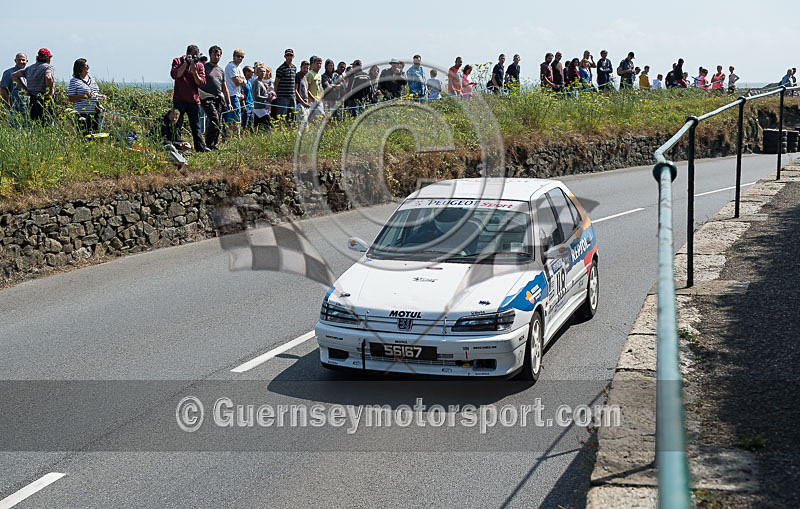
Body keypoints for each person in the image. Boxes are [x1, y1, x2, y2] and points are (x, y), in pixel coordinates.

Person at [167, 45, 208, 152]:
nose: (193, 58)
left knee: (196, 126)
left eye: (195, 56)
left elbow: (201, 83)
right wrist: (185, 63)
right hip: (179, 99)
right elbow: (175, 75)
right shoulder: (177, 61)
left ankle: (200, 147)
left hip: (193, 100)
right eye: (192, 56)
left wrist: (194, 71)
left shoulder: (199, 65)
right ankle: (177, 146)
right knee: (177, 125)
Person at [198, 45, 232, 150]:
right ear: (210, 55)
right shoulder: (204, 67)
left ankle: (214, 143)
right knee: (214, 119)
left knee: (218, 121)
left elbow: (224, 87)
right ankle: (208, 143)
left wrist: (229, 102)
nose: (216, 57)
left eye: (218, 55)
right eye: (214, 54)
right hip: (206, 97)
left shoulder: (221, 71)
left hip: (218, 98)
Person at [12, 48, 55, 123]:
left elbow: (14, 75)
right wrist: (50, 91)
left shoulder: (30, 68)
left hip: (32, 99)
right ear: (48, 58)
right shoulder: (48, 67)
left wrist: (25, 89)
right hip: (44, 99)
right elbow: (48, 77)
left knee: (35, 124)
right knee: (47, 124)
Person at [67, 58, 105, 136]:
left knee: (95, 135)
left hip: (94, 112)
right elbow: (71, 98)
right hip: (82, 113)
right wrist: (84, 96)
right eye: (86, 66)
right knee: (84, 136)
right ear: (80, 68)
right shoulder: (74, 81)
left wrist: (101, 97)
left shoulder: (92, 80)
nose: (88, 67)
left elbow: (95, 93)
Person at [1, 53, 29, 127]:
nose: (21, 62)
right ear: (15, 61)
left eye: (23, 60)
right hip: (14, 107)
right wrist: (8, 104)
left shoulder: (29, 73)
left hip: (27, 108)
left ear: (27, 61)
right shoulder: (9, 73)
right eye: (19, 60)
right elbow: (3, 89)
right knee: (15, 129)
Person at [223, 49, 245, 133]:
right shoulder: (231, 66)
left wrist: (242, 81)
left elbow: (244, 81)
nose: (240, 58)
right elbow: (236, 82)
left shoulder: (238, 68)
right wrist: (242, 81)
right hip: (232, 95)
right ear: (233, 56)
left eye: (242, 57)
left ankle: (236, 136)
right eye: (238, 56)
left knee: (237, 118)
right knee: (233, 119)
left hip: (237, 94)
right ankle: (232, 137)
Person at [274, 49, 297, 122]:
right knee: (281, 118)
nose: (289, 57)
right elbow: (276, 83)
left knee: (292, 118)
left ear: (293, 56)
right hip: (283, 96)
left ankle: (291, 132)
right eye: (287, 55)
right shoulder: (281, 69)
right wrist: (277, 95)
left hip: (292, 96)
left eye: (291, 55)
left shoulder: (294, 68)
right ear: (285, 56)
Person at [251, 65, 275, 130]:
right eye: (261, 71)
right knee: (269, 125)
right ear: (257, 73)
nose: (263, 73)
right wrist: (267, 98)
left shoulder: (261, 82)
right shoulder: (257, 82)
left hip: (261, 107)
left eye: (264, 71)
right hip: (259, 108)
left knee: (257, 127)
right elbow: (256, 96)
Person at [306, 56, 324, 121]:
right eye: (317, 63)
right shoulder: (310, 74)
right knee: (323, 117)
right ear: (313, 64)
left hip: (318, 99)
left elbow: (319, 88)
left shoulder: (319, 75)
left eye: (320, 63)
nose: (319, 65)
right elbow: (306, 89)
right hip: (311, 101)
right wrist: (313, 99)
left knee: (316, 121)